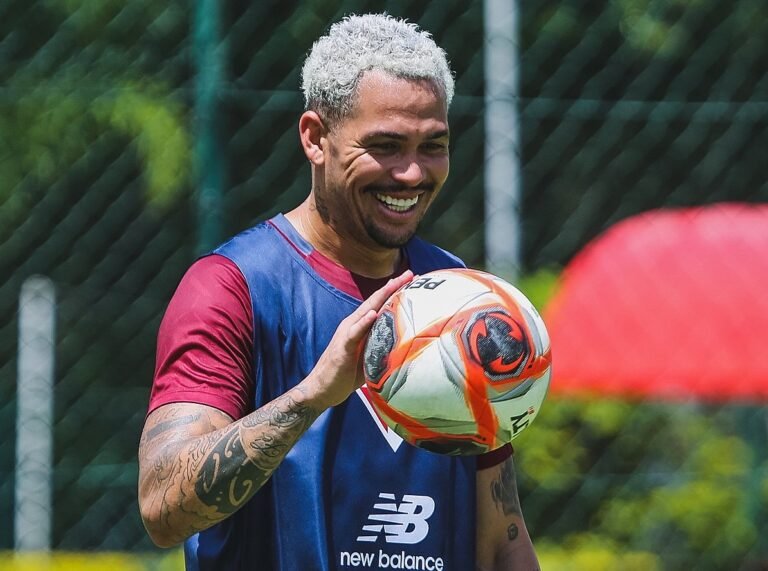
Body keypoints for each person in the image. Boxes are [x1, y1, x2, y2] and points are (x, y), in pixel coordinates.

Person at [138, 13, 539, 571]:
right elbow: (162, 506)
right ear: (315, 138)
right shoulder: (234, 286)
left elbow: (501, 539)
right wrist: (311, 396)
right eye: (386, 145)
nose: (412, 173)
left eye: (433, 145)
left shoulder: (459, 297)